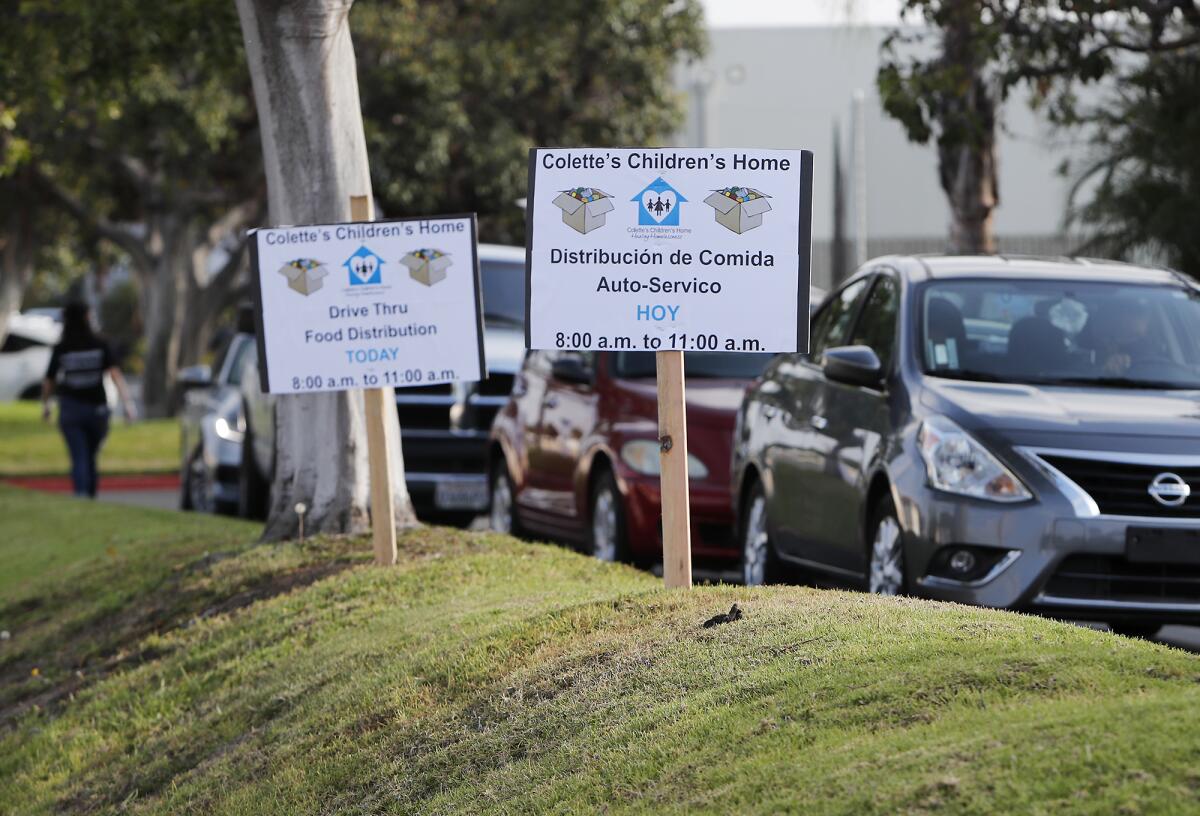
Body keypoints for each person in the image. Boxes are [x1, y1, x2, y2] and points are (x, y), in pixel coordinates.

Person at [40, 302, 137, 498]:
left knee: (80, 457)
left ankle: (83, 497)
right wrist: (128, 404)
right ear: (86, 317)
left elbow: (49, 381)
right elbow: (115, 375)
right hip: (97, 410)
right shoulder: (99, 344)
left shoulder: (63, 347)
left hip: (71, 409)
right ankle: (87, 497)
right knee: (89, 457)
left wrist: (46, 405)